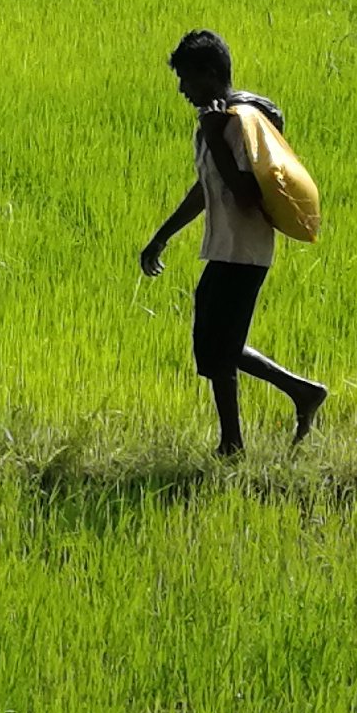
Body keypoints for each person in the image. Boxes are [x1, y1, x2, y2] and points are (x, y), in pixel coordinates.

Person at [137, 27, 327, 456]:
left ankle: (241, 437)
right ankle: (288, 402)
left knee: (216, 348)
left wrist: (215, 133)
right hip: (223, 250)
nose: (183, 88)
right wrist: (160, 237)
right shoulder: (213, 124)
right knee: (214, 347)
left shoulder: (239, 124)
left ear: (209, 73)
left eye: (187, 78)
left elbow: (245, 194)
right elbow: (205, 188)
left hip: (245, 254)